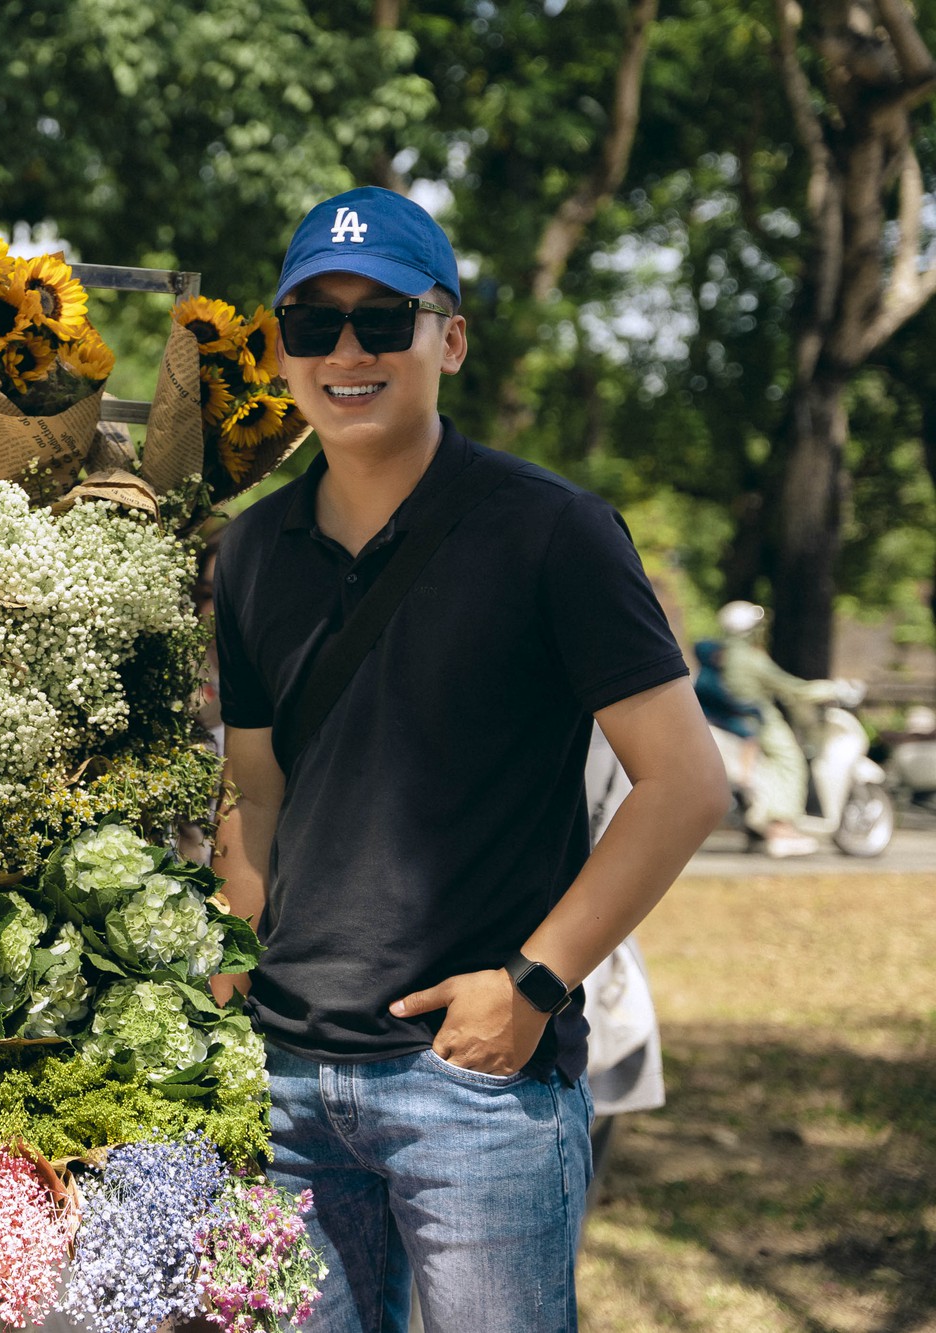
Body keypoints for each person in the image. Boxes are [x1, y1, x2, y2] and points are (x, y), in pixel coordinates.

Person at [210, 187, 728, 1332]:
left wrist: (533, 984)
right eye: (312, 324)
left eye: (382, 318)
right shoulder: (248, 551)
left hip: (474, 1090)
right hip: (285, 1087)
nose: (346, 350)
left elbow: (684, 784)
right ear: (279, 349)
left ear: (447, 337)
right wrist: (234, 950)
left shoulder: (551, 532)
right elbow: (254, 788)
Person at [714, 599, 844, 857]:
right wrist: (832, 688)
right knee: (790, 761)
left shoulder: (723, 655)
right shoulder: (751, 659)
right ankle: (781, 829)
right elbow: (791, 687)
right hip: (759, 720)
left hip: (735, 722)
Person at [692, 638, 762, 782]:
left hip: (718, 716)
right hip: (717, 718)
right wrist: (751, 709)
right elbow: (725, 703)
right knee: (750, 736)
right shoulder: (707, 679)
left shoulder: (709, 675)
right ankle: (745, 777)